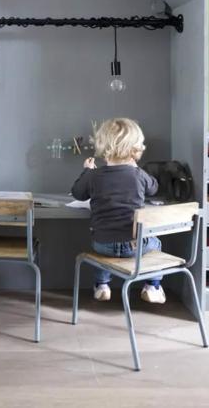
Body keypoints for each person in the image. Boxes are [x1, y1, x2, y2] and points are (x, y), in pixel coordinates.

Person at [71, 118, 165, 303]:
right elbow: (154, 188)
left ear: (102, 146)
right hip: (137, 245)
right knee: (157, 244)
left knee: (104, 253)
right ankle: (152, 286)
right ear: (135, 148)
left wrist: (87, 171)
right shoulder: (138, 174)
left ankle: (102, 284)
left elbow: (78, 193)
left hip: (103, 243)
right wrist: (137, 168)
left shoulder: (94, 176)